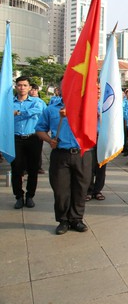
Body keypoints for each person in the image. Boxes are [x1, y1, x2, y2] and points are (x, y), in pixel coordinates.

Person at [35, 91, 92, 234]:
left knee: (81, 188)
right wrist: (49, 140)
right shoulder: (51, 109)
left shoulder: (87, 109)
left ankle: (77, 219)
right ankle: (63, 220)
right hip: (60, 154)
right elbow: (40, 129)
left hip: (82, 154)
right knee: (61, 190)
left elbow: (95, 128)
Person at [11, 76, 46, 209]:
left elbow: (36, 111)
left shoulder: (36, 101)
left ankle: (30, 195)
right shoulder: (9, 102)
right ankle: (19, 196)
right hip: (15, 138)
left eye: (25, 85)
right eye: (19, 85)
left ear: (29, 87)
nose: (22, 88)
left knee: (33, 169)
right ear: (16, 87)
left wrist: (18, 112)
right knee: (16, 169)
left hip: (33, 138)